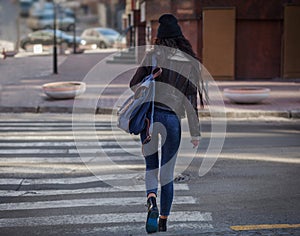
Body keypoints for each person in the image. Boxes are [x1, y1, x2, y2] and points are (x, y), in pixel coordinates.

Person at [130, 13, 203, 233]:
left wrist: (151, 78)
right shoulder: (190, 63)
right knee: (167, 174)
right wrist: (195, 133)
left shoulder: (152, 57)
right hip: (172, 121)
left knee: (151, 167)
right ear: (179, 37)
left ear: (160, 37)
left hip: (149, 120)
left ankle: (151, 200)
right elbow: (191, 101)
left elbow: (134, 85)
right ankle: (163, 222)